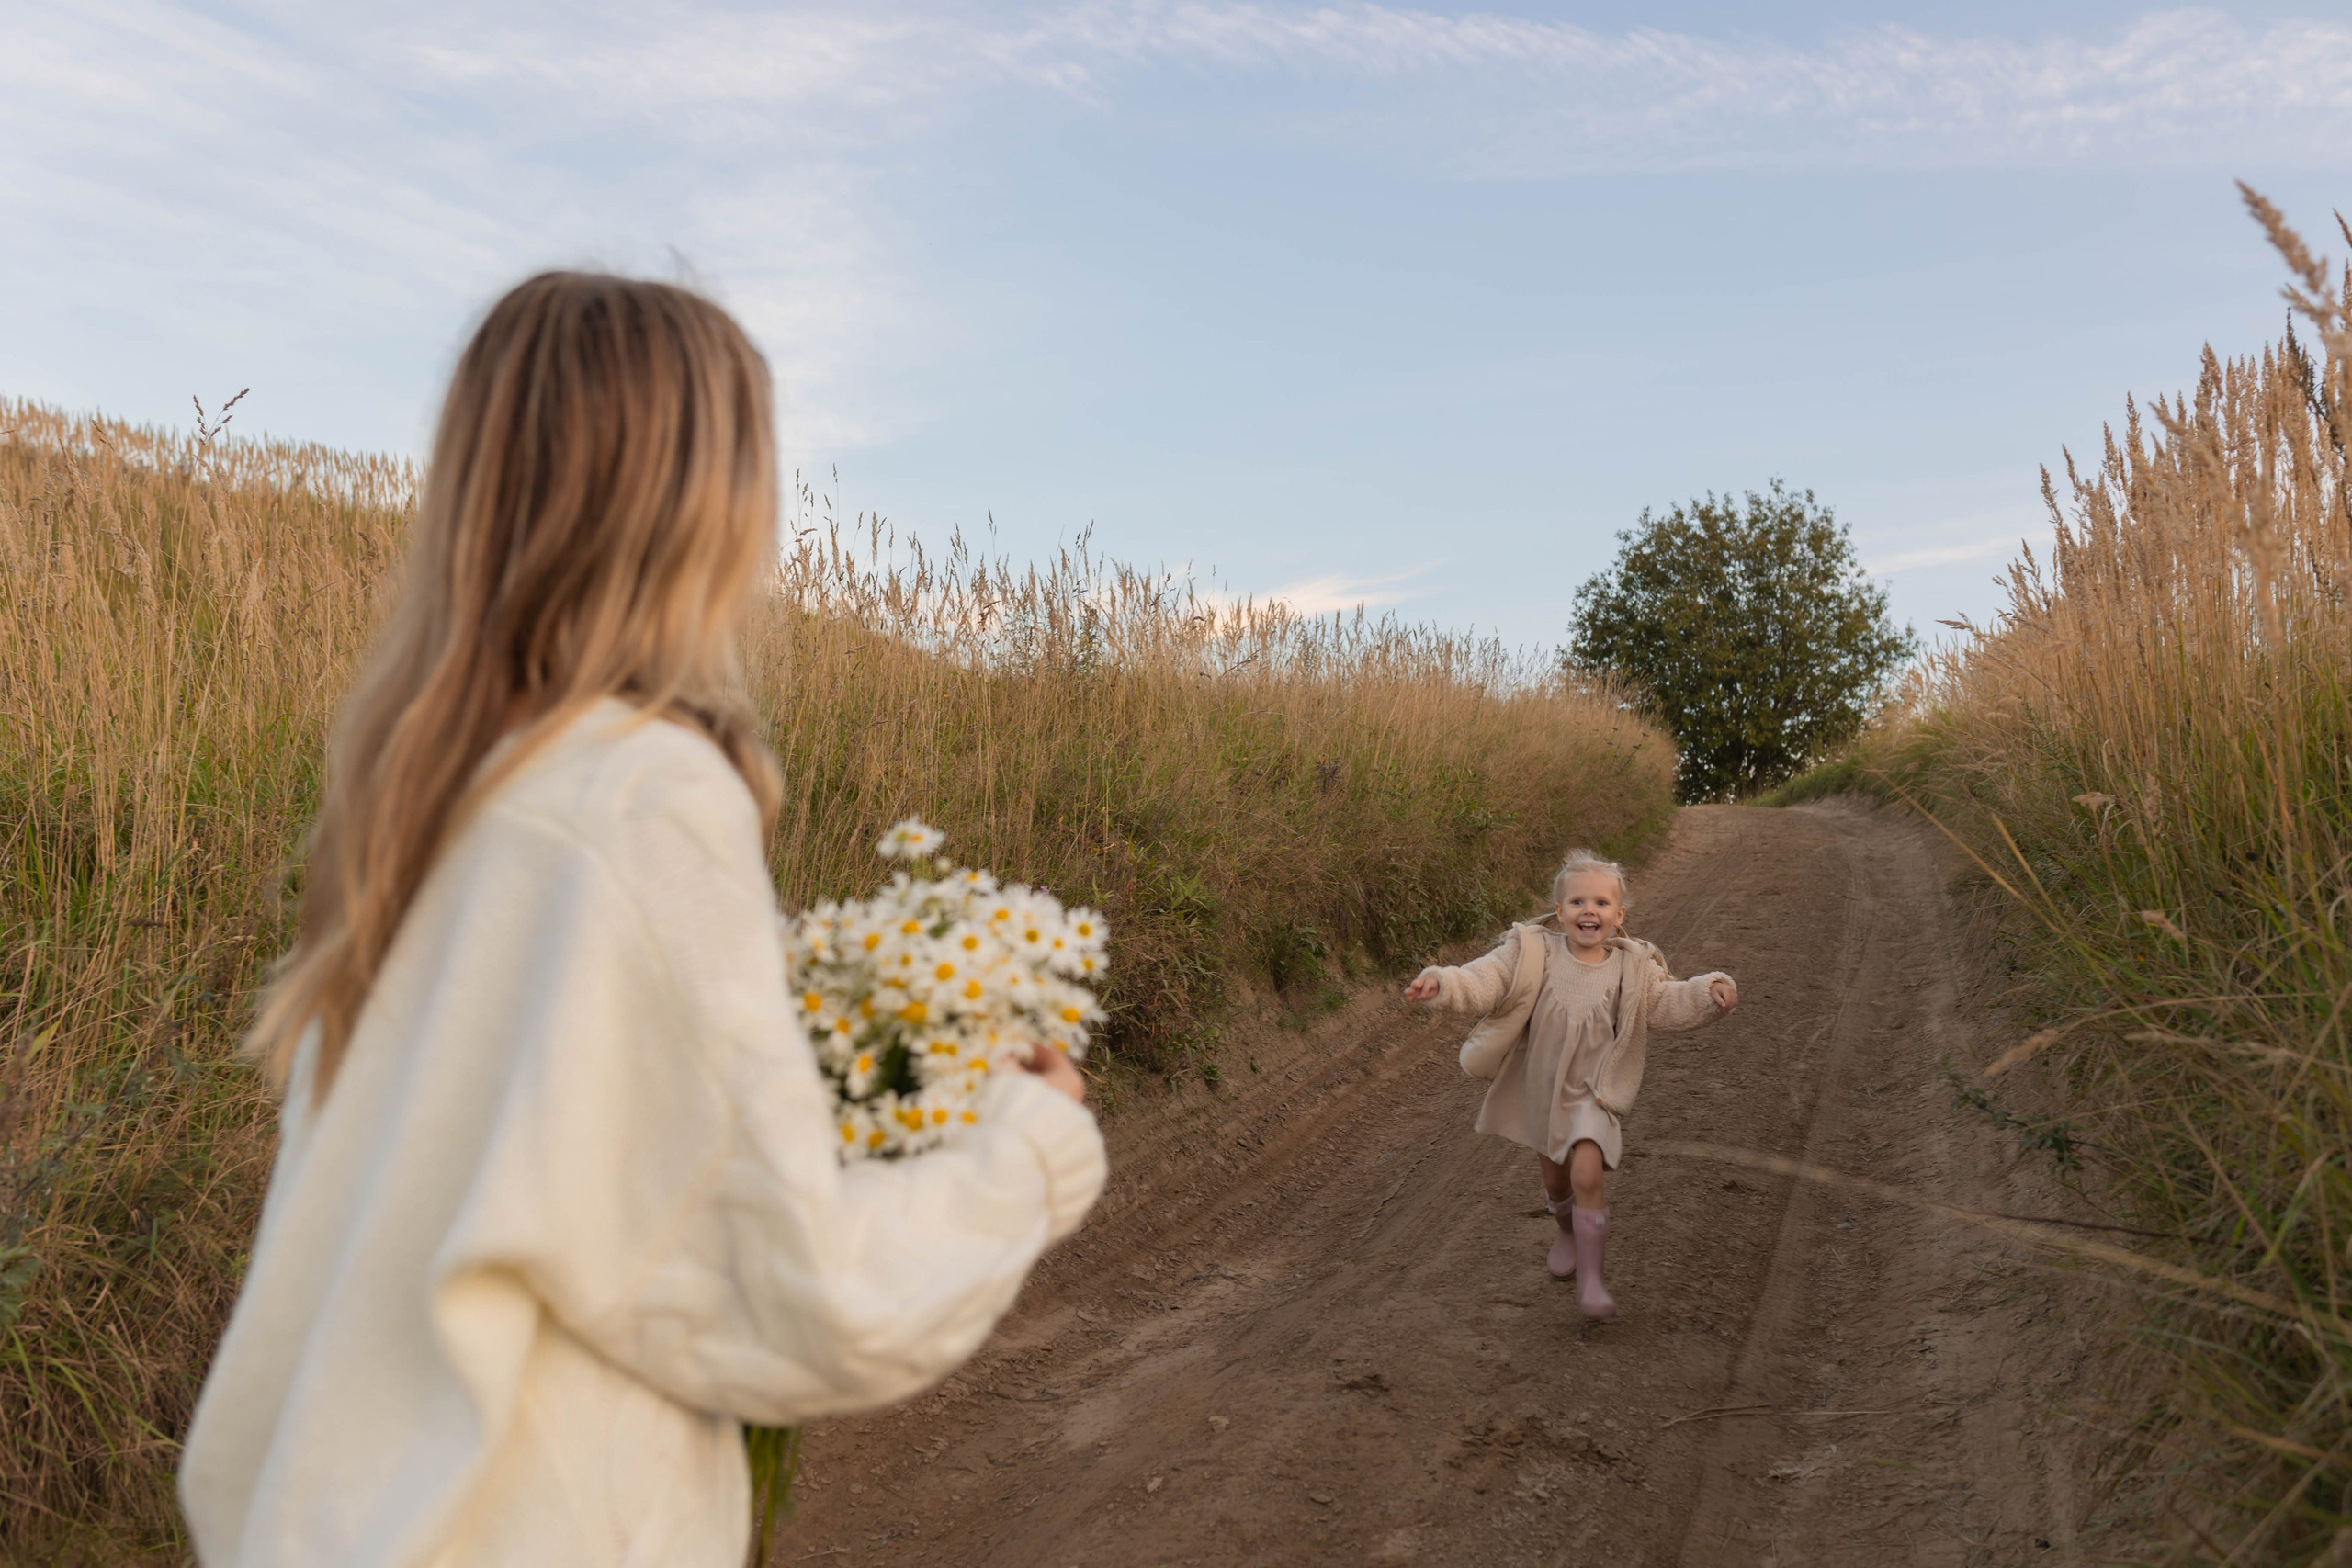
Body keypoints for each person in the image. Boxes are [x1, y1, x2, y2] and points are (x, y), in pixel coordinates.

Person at [177, 273, 1106, 1568]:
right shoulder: (641, 797)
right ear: (699, 511)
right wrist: (1031, 1144)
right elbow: (803, 1295)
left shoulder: (422, 812)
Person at [1403, 851, 1734, 1318]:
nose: (1589, 911)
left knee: (1586, 1173)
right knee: (1557, 1180)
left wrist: (1708, 990)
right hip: (1542, 1088)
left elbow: (1666, 1000)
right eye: (1577, 901)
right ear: (1559, 912)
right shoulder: (1533, 952)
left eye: (1601, 902)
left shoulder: (1632, 967)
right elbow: (1484, 978)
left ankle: (1593, 1281)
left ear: (1620, 915)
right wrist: (1442, 983)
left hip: (1596, 1092)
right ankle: (1566, 1229)